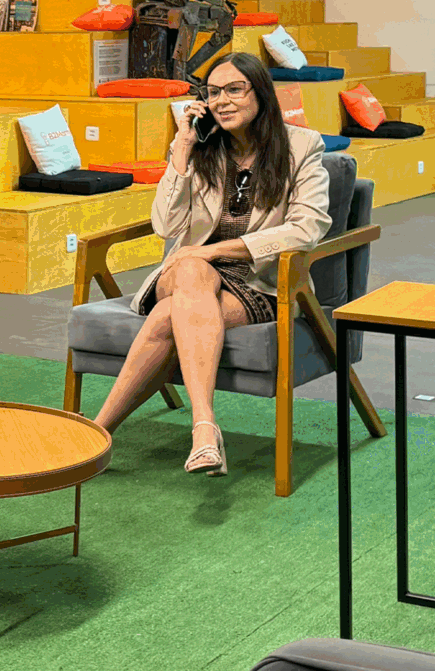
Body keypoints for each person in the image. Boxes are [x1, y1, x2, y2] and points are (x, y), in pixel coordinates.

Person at [90, 50, 329, 476]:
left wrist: (213, 250)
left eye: (235, 89)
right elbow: (166, 226)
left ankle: (96, 435)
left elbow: (307, 228)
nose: (222, 100)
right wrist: (182, 147)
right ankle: (204, 427)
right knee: (191, 270)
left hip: (256, 281)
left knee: (168, 315)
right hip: (187, 271)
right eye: (213, 92)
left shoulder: (302, 146)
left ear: (260, 93)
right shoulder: (201, 147)